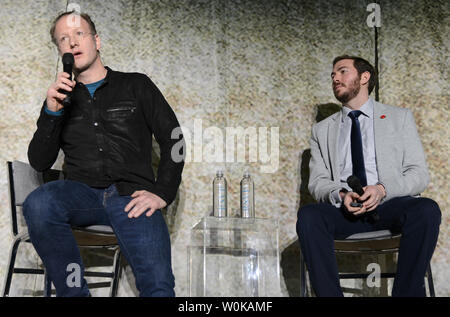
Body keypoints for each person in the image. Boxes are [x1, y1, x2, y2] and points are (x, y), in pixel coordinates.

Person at [23, 11, 185, 297]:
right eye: (63, 39)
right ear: (60, 52)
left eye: (79, 34)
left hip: (132, 198)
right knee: (39, 203)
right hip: (82, 195)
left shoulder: (136, 84)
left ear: (96, 40)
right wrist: (51, 112)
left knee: (158, 287)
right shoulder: (59, 100)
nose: (72, 42)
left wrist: (162, 192)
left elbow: (174, 137)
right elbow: (39, 161)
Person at [296, 55, 441, 297]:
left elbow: (419, 174)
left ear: (364, 77)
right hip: (344, 211)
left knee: (426, 210)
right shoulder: (322, 130)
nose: (335, 78)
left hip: (388, 205)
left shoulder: (398, 117)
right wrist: (340, 194)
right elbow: (318, 182)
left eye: (342, 71)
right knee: (309, 216)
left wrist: (382, 189)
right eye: (333, 74)